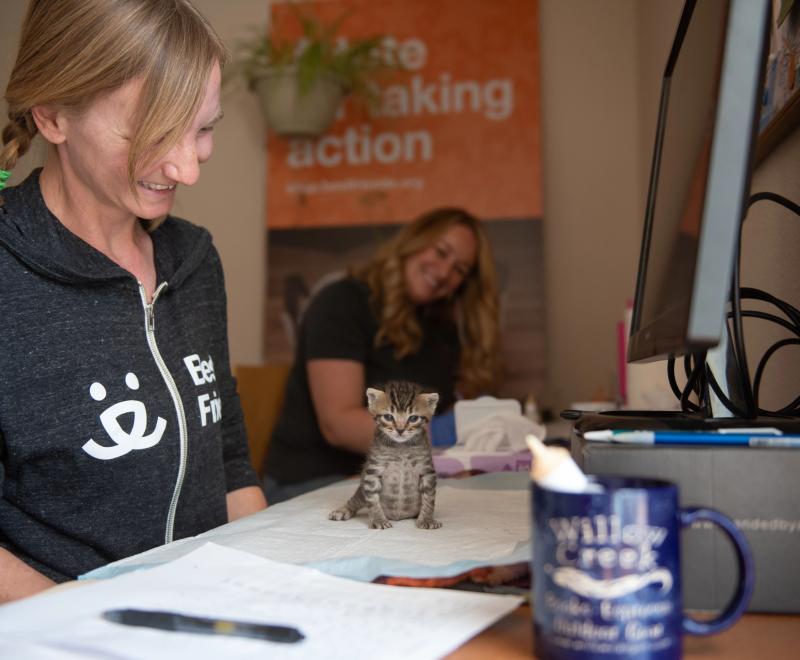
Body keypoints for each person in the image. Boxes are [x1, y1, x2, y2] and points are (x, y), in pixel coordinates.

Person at [0, 0, 266, 603]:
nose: (187, 169)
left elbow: (230, 465)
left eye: (203, 128)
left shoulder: (195, 260)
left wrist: (271, 588)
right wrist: (96, 625)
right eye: (152, 133)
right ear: (51, 117)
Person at [263, 208, 501, 502]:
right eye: (441, 252)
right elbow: (338, 424)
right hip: (311, 481)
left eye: (460, 270)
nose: (443, 273)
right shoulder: (342, 302)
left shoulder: (441, 328)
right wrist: (434, 439)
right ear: (414, 241)